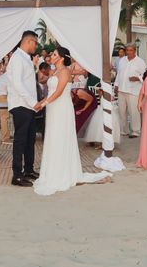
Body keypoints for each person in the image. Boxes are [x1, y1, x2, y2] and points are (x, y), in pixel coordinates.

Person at [32, 47, 112, 195]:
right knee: (52, 137)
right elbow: (49, 90)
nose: (52, 56)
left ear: (61, 58)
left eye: (54, 54)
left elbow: (59, 91)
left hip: (61, 108)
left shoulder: (65, 72)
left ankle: (62, 172)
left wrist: (43, 104)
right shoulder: (54, 71)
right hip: (53, 108)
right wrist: (40, 103)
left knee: (60, 137)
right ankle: (52, 171)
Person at [7, 31, 40, 187]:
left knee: (30, 140)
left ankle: (28, 170)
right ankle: (17, 175)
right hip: (21, 105)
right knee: (20, 141)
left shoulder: (25, 58)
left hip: (29, 106)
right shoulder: (17, 58)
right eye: (36, 43)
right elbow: (18, 84)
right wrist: (33, 102)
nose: (36, 46)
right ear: (28, 41)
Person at [113, 45, 146, 138]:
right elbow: (119, 73)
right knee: (121, 111)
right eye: (127, 50)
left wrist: (137, 78)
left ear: (135, 51)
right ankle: (124, 130)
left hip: (133, 90)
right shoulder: (122, 60)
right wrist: (116, 85)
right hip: (121, 89)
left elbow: (145, 74)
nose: (128, 52)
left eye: (131, 50)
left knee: (134, 111)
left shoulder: (140, 61)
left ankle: (135, 131)